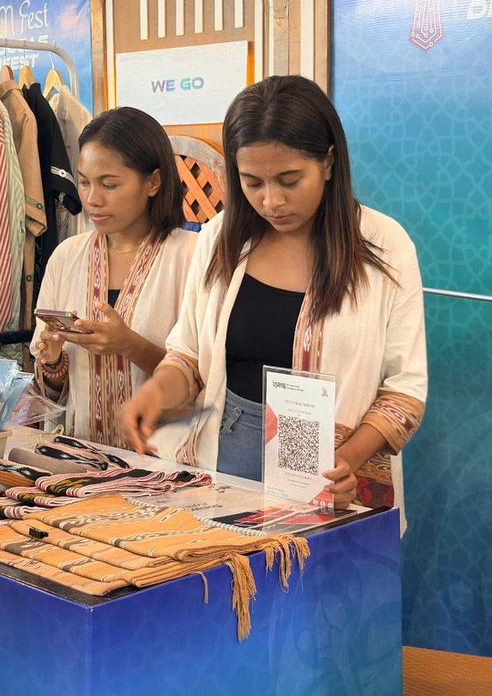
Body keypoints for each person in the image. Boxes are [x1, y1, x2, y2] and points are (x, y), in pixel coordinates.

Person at [121, 76, 427, 512]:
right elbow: (187, 355)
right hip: (224, 455)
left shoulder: (383, 246)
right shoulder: (219, 238)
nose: (271, 201)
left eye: (289, 180)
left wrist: (346, 462)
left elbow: (404, 391)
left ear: (328, 162)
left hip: (332, 470)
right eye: (253, 182)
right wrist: (154, 394)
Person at [32, 107, 196, 446]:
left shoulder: (192, 256)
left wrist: (130, 345)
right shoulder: (66, 256)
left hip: (165, 460)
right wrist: (52, 362)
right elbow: (52, 395)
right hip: (83, 455)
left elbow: (204, 378)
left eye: (109, 184)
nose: (92, 199)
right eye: (84, 182)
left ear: (153, 182)